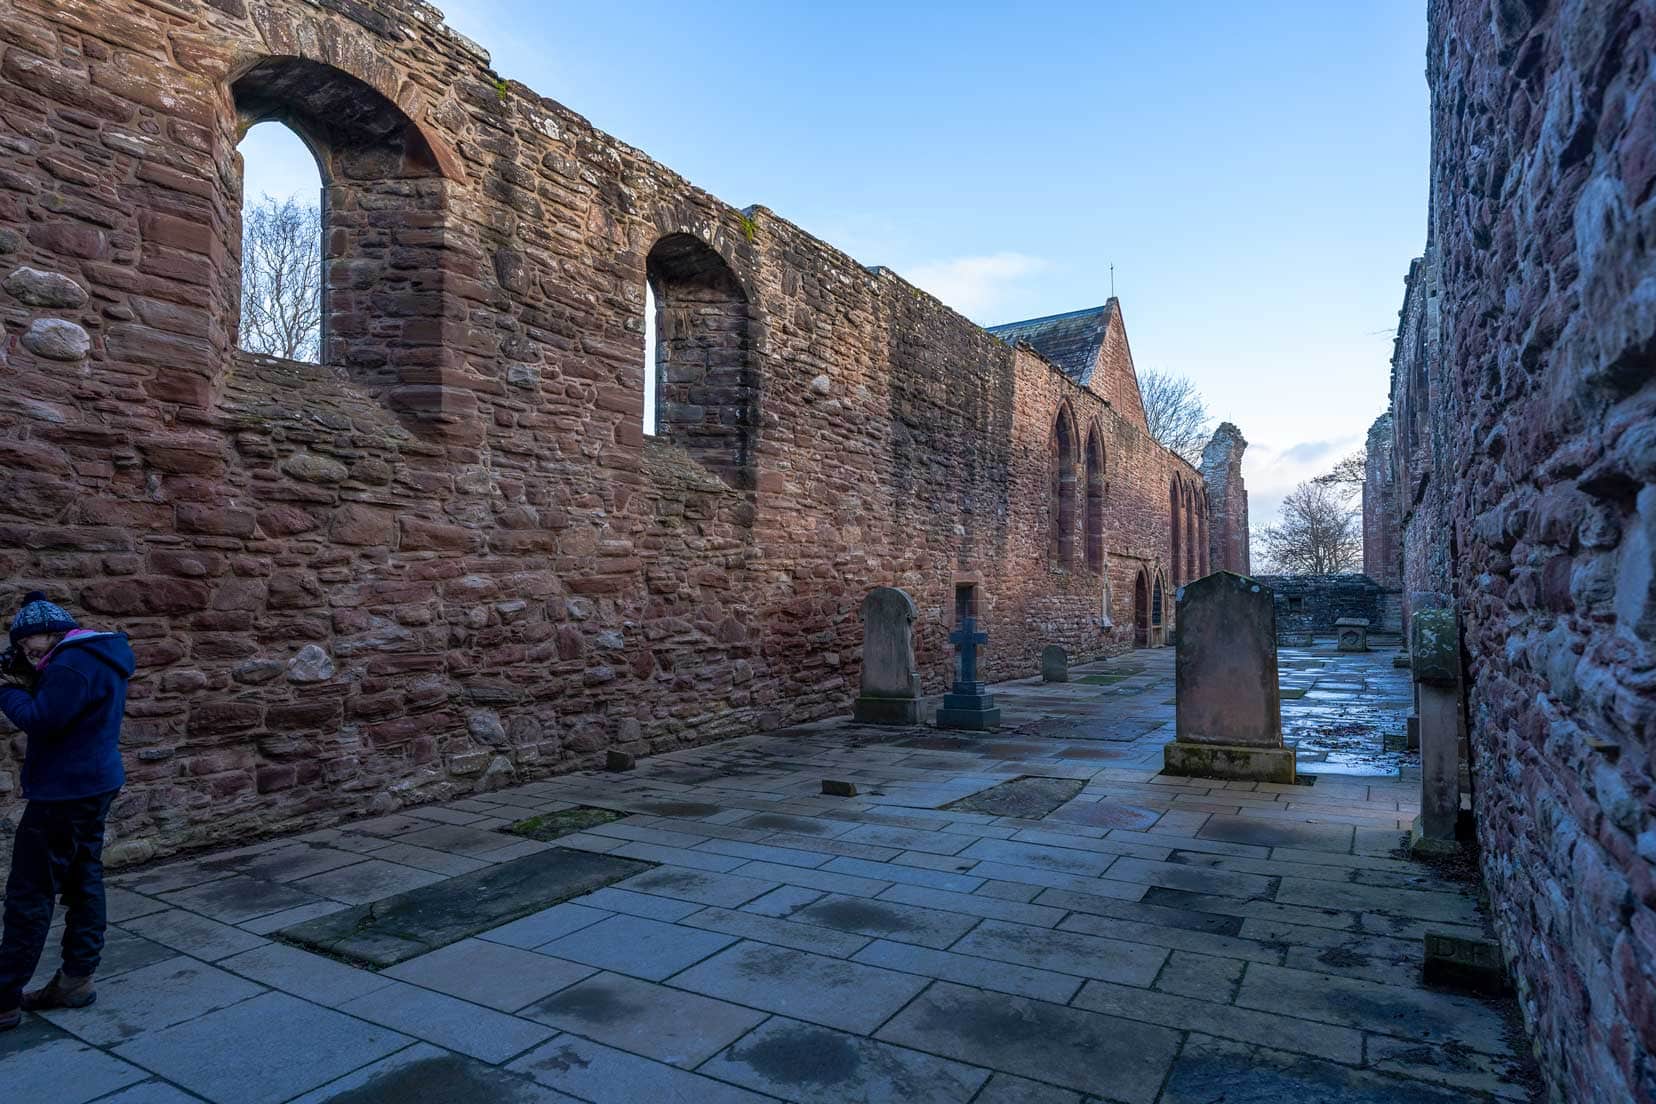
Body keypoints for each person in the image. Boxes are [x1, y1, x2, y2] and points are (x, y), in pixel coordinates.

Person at [0, 592, 134, 1030]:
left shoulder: (70, 664)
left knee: (29, 892)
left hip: (64, 793)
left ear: (53, 632)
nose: (26, 651)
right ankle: (76, 979)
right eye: (20, 647)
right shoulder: (98, 653)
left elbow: (42, 719)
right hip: (94, 783)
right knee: (83, 879)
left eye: (28, 642)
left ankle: (4, 996)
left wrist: (5, 691)